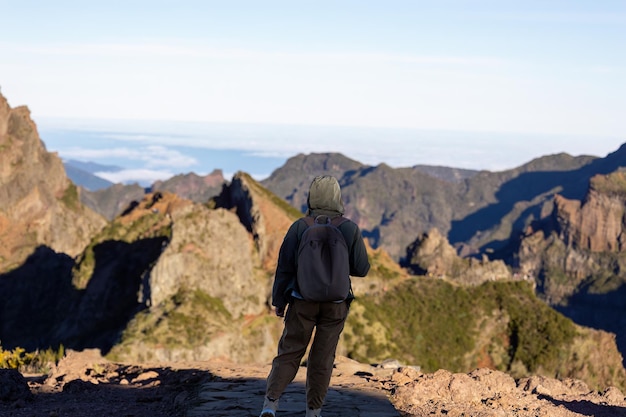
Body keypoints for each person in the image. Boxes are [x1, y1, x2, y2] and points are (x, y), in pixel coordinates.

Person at [260, 175, 371, 417]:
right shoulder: (349, 228)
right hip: (336, 304)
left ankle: (270, 404)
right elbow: (362, 268)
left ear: (312, 197)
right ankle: (313, 411)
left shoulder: (300, 227)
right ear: (337, 197)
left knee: (290, 352)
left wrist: (279, 301)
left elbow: (285, 267)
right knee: (322, 358)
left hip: (302, 300)